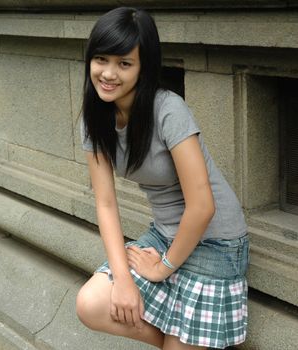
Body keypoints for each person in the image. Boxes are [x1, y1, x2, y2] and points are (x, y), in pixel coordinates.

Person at [75, 7, 249, 350]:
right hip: (165, 233)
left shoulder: (168, 110)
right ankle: (190, 340)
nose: (108, 74)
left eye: (124, 63)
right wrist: (123, 280)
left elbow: (202, 206)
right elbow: (106, 204)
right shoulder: (94, 119)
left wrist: (163, 268)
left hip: (216, 242)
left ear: (144, 68)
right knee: (92, 304)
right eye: (101, 59)